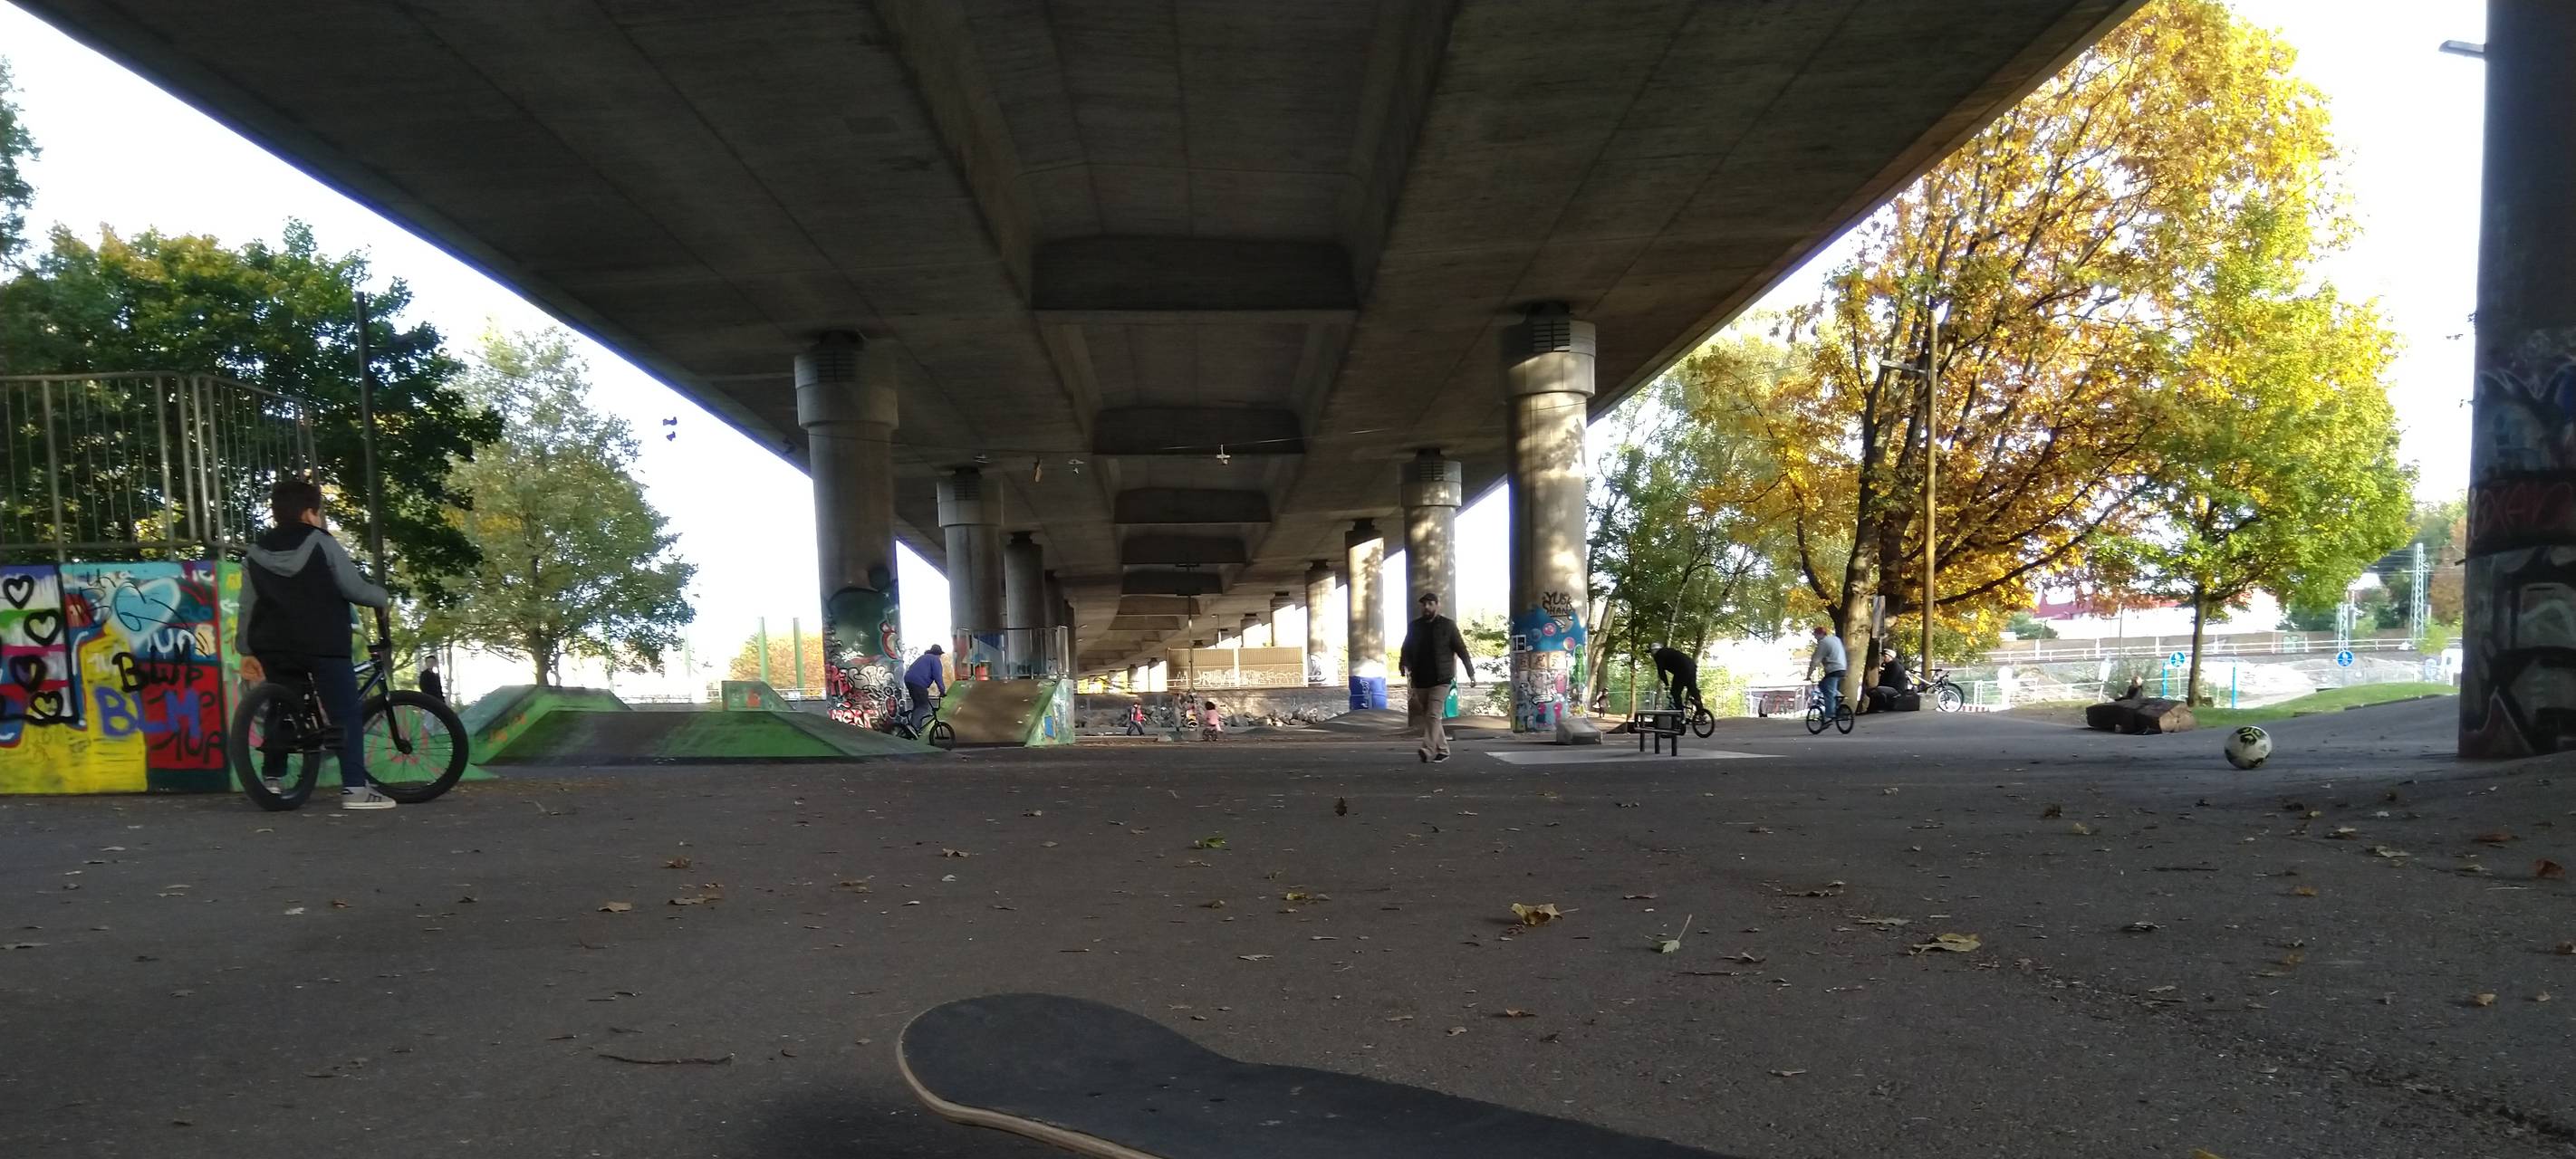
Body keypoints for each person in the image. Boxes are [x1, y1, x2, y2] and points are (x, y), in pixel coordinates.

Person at [233, 477, 397, 809]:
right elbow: (353, 588)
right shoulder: (321, 542)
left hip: (275, 646)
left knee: (282, 709)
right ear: (309, 513)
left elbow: (248, 606)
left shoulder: (255, 554)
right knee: (345, 711)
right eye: (318, 513)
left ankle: (273, 780)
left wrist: (245, 649)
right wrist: (382, 597)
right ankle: (355, 789)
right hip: (324, 643)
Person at [1397, 591, 1475, 763]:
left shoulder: (1448, 625)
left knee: (1433, 714)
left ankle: (1428, 748)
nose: (1427, 607)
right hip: (1421, 678)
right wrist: (1403, 664)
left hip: (1442, 678)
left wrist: (1471, 672)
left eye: (1430, 604)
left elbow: (1461, 649)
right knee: (1431, 716)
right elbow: (1406, 647)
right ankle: (1443, 750)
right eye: (1424, 604)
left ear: (1437, 605)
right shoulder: (1414, 626)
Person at [1804, 624, 1848, 720]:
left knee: (1828, 692)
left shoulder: (1823, 643)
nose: (1815, 638)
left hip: (1833, 670)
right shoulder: (1836, 639)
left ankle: (1829, 715)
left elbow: (1815, 661)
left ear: (1819, 635)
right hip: (1842, 668)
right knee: (1823, 685)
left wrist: (1808, 675)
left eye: (1815, 635)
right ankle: (1838, 695)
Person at [903, 644, 947, 730]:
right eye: (940, 655)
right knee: (923, 706)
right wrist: (942, 691)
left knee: (918, 706)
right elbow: (938, 676)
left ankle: (915, 730)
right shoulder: (935, 659)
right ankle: (913, 728)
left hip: (909, 680)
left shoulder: (923, 657)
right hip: (918, 683)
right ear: (938, 654)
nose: (940, 657)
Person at [1650, 643, 1702, 716]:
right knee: (1692, 688)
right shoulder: (1668, 651)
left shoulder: (1658, 656)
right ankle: (1701, 711)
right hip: (1692, 666)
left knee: (1675, 692)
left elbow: (1661, 671)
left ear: (1654, 651)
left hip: (1681, 670)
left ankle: (1680, 714)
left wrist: (1667, 684)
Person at [1866, 648, 1911, 713]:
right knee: (1871, 691)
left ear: (1891, 657)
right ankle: (1872, 708)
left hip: (1896, 689)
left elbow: (1891, 680)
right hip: (1891, 687)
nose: (1884, 658)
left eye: (1885, 657)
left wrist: (1878, 687)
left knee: (1877, 690)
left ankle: (1882, 707)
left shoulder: (1895, 666)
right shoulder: (1889, 665)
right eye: (1883, 657)